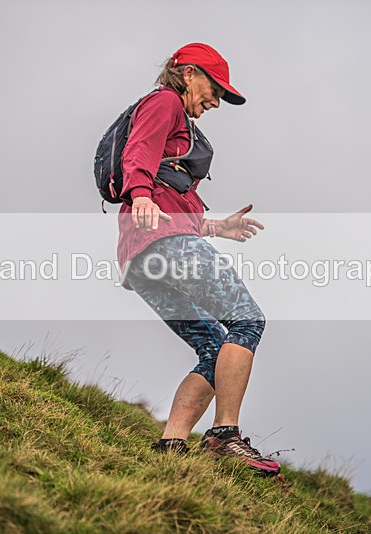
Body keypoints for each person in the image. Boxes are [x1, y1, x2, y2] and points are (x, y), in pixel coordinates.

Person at [116, 43, 280, 476]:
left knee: (212, 348)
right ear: (188, 73)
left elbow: (171, 203)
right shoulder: (165, 101)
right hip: (164, 242)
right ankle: (224, 435)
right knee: (247, 321)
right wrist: (140, 195)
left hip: (143, 260)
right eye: (215, 89)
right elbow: (138, 151)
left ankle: (172, 445)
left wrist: (215, 228)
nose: (216, 101)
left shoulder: (176, 118)